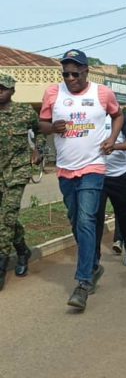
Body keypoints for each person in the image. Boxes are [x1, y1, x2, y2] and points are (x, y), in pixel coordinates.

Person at [39, 49, 124, 311]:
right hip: (65, 169)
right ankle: (93, 265)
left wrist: (112, 139)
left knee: (87, 219)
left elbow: (118, 115)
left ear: (86, 71)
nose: (70, 78)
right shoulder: (53, 93)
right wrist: (52, 127)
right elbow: (41, 124)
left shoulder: (102, 93)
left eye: (75, 73)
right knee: (76, 220)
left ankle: (83, 282)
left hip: (93, 166)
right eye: (66, 74)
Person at [0, 74, 39, 290]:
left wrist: (38, 149)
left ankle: (1, 263)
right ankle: (23, 250)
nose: (0, 92)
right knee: (8, 217)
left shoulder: (24, 112)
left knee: (7, 217)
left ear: (12, 91)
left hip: (17, 172)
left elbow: (40, 130)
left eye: (3, 88)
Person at [95, 114, 126, 267]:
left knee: (123, 215)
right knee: (96, 217)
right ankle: (94, 256)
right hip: (97, 176)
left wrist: (114, 146)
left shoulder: (121, 119)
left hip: (119, 176)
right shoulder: (92, 116)